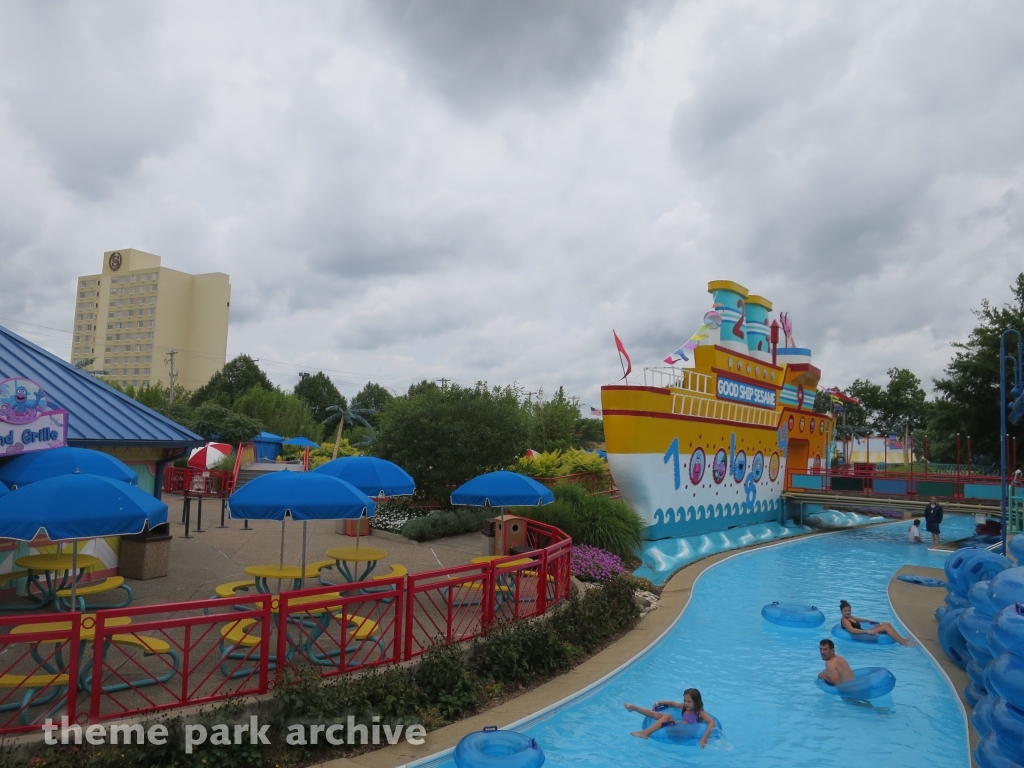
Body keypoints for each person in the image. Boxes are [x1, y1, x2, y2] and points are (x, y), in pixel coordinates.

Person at [624, 688, 716, 747]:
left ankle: (645, 733)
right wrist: (659, 702)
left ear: (696, 702)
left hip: (686, 736)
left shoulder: (699, 712)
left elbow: (712, 723)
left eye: (689, 701)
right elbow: (672, 703)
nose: (686, 703)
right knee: (659, 715)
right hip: (679, 729)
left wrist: (704, 738)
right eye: (685, 700)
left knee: (667, 716)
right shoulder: (684, 707)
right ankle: (634, 708)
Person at [839, 599, 916, 646]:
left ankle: (904, 640)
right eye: (845, 611)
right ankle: (904, 644)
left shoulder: (849, 617)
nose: (848, 612)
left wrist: (868, 620)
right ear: (841, 611)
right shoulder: (845, 620)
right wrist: (867, 631)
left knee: (887, 623)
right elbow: (852, 630)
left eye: (849, 610)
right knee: (886, 627)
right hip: (861, 635)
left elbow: (856, 619)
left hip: (864, 632)